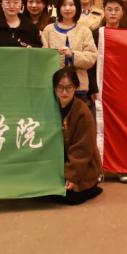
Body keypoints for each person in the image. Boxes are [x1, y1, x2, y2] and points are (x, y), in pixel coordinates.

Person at [41, 67, 103, 205]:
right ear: (54, 88)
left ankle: (90, 186)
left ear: (75, 88)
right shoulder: (50, 108)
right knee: (39, 192)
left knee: (69, 196)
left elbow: (82, 150)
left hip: (81, 165)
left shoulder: (82, 112)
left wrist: (71, 176)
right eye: (60, 88)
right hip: (58, 163)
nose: (64, 92)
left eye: (69, 88)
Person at [42, 0, 97, 102]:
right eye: (64, 5)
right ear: (59, 7)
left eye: (71, 5)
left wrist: (72, 54)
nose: (67, 8)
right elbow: (43, 58)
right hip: (54, 86)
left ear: (77, 7)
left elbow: (92, 57)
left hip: (79, 87)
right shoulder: (48, 30)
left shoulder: (84, 31)